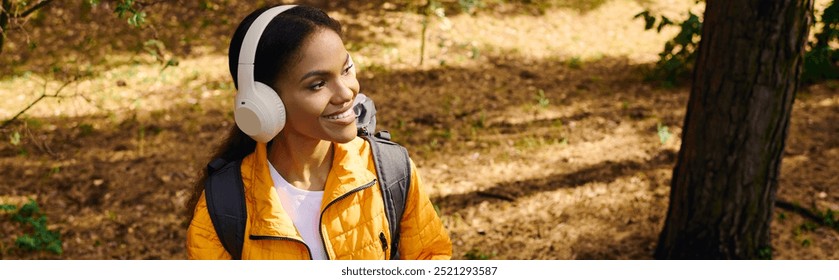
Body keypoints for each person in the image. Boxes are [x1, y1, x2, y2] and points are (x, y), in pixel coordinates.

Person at [185, 4, 452, 260]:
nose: (347, 93)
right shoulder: (225, 204)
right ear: (263, 104)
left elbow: (431, 258)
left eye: (346, 70)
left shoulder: (390, 171)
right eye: (318, 84)